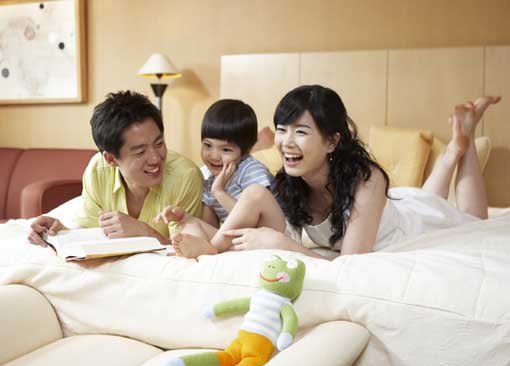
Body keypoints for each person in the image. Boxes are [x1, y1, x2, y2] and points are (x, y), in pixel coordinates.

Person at [162, 85, 500, 260]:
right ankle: (454, 149)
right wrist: (195, 227)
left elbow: (351, 265)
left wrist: (283, 244)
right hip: (402, 203)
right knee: (424, 198)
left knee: (473, 220)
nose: (286, 142)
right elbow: (246, 218)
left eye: (301, 131)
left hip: (410, 227)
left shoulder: (367, 180)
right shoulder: (290, 179)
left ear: (332, 141)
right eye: (282, 130)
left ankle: (463, 143)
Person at [28, 90, 204, 247]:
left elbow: (187, 253)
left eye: (159, 143)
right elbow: (91, 233)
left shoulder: (185, 176)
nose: (156, 158)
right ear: (111, 159)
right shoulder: (98, 170)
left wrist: (144, 232)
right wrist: (60, 233)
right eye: (140, 152)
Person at [154, 99, 273, 254]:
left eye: (226, 150)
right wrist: (183, 218)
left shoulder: (251, 170)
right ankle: (201, 252)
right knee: (190, 225)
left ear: (245, 152)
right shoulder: (208, 177)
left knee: (252, 197)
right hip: (236, 241)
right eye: (208, 145)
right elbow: (211, 226)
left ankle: (209, 250)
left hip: (263, 236)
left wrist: (219, 192)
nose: (214, 156)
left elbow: (253, 221)